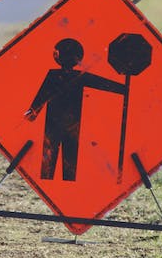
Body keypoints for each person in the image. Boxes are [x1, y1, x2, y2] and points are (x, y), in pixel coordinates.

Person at [25, 38, 126, 181]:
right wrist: (33, 112)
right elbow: (42, 94)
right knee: (53, 158)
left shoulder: (71, 76)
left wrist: (32, 113)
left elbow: (101, 83)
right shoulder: (67, 75)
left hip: (66, 125)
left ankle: (64, 184)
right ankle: (54, 181)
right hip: (61, 124)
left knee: (65, 158)